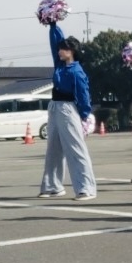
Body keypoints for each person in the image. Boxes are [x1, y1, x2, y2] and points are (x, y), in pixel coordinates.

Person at [38, 23, 97, 201]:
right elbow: (55, 40)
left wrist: (84, 116)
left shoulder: (77, 72)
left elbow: (84, 96)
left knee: (76, 149)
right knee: (53, 149)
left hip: (68, 108)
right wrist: (53, 24)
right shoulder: (60, 65)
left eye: (62, 49)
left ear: (70, 51)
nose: (59, 51)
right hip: (55, 107)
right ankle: (53, 186)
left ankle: (86, 188)